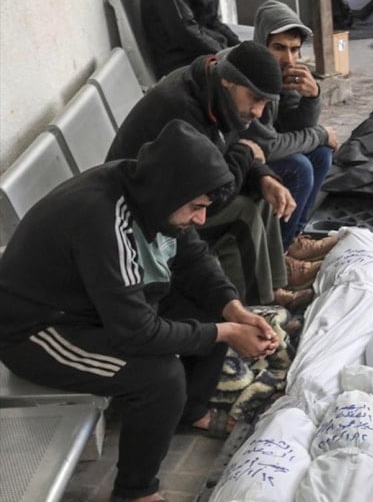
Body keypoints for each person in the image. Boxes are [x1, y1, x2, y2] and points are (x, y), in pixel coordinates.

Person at [0, 120, 280, 502]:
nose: (201, 218)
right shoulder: (99, 216)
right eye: (196, 207)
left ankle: (190, 411)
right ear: (171, 192)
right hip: (39, 331)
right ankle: (136, 490)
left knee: (211, 311)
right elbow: (136, 333)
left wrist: (234, 311)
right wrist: (225, 333)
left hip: (96, 306)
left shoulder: (155, 195)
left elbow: (195, 261)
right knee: (158, 377)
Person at [107, 41, 321, 311]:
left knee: (263, 197)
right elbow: (214, 193)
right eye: (254, 98)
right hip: (140, 211)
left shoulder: (213, 91)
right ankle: (254, 309)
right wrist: (247, 154)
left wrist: (263, 176)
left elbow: (229, 150)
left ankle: (274, 288)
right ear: (229, 81)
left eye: (265, 103)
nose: (258, 112)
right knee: (243, 214)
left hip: (177, 192)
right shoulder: (183, 110)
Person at [252, 0, 341, 261]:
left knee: (321, 154)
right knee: (299, 166)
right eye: (279, 48)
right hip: (238, 158)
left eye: (294, 50)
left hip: (261, 150)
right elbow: (267, 146)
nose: (288, 59)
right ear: (262, 43)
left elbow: (295, 126)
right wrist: (321, 133)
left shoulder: (284, 72)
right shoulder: (251, 71)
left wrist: (312, 97)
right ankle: (278, 259)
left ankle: (292, 240)